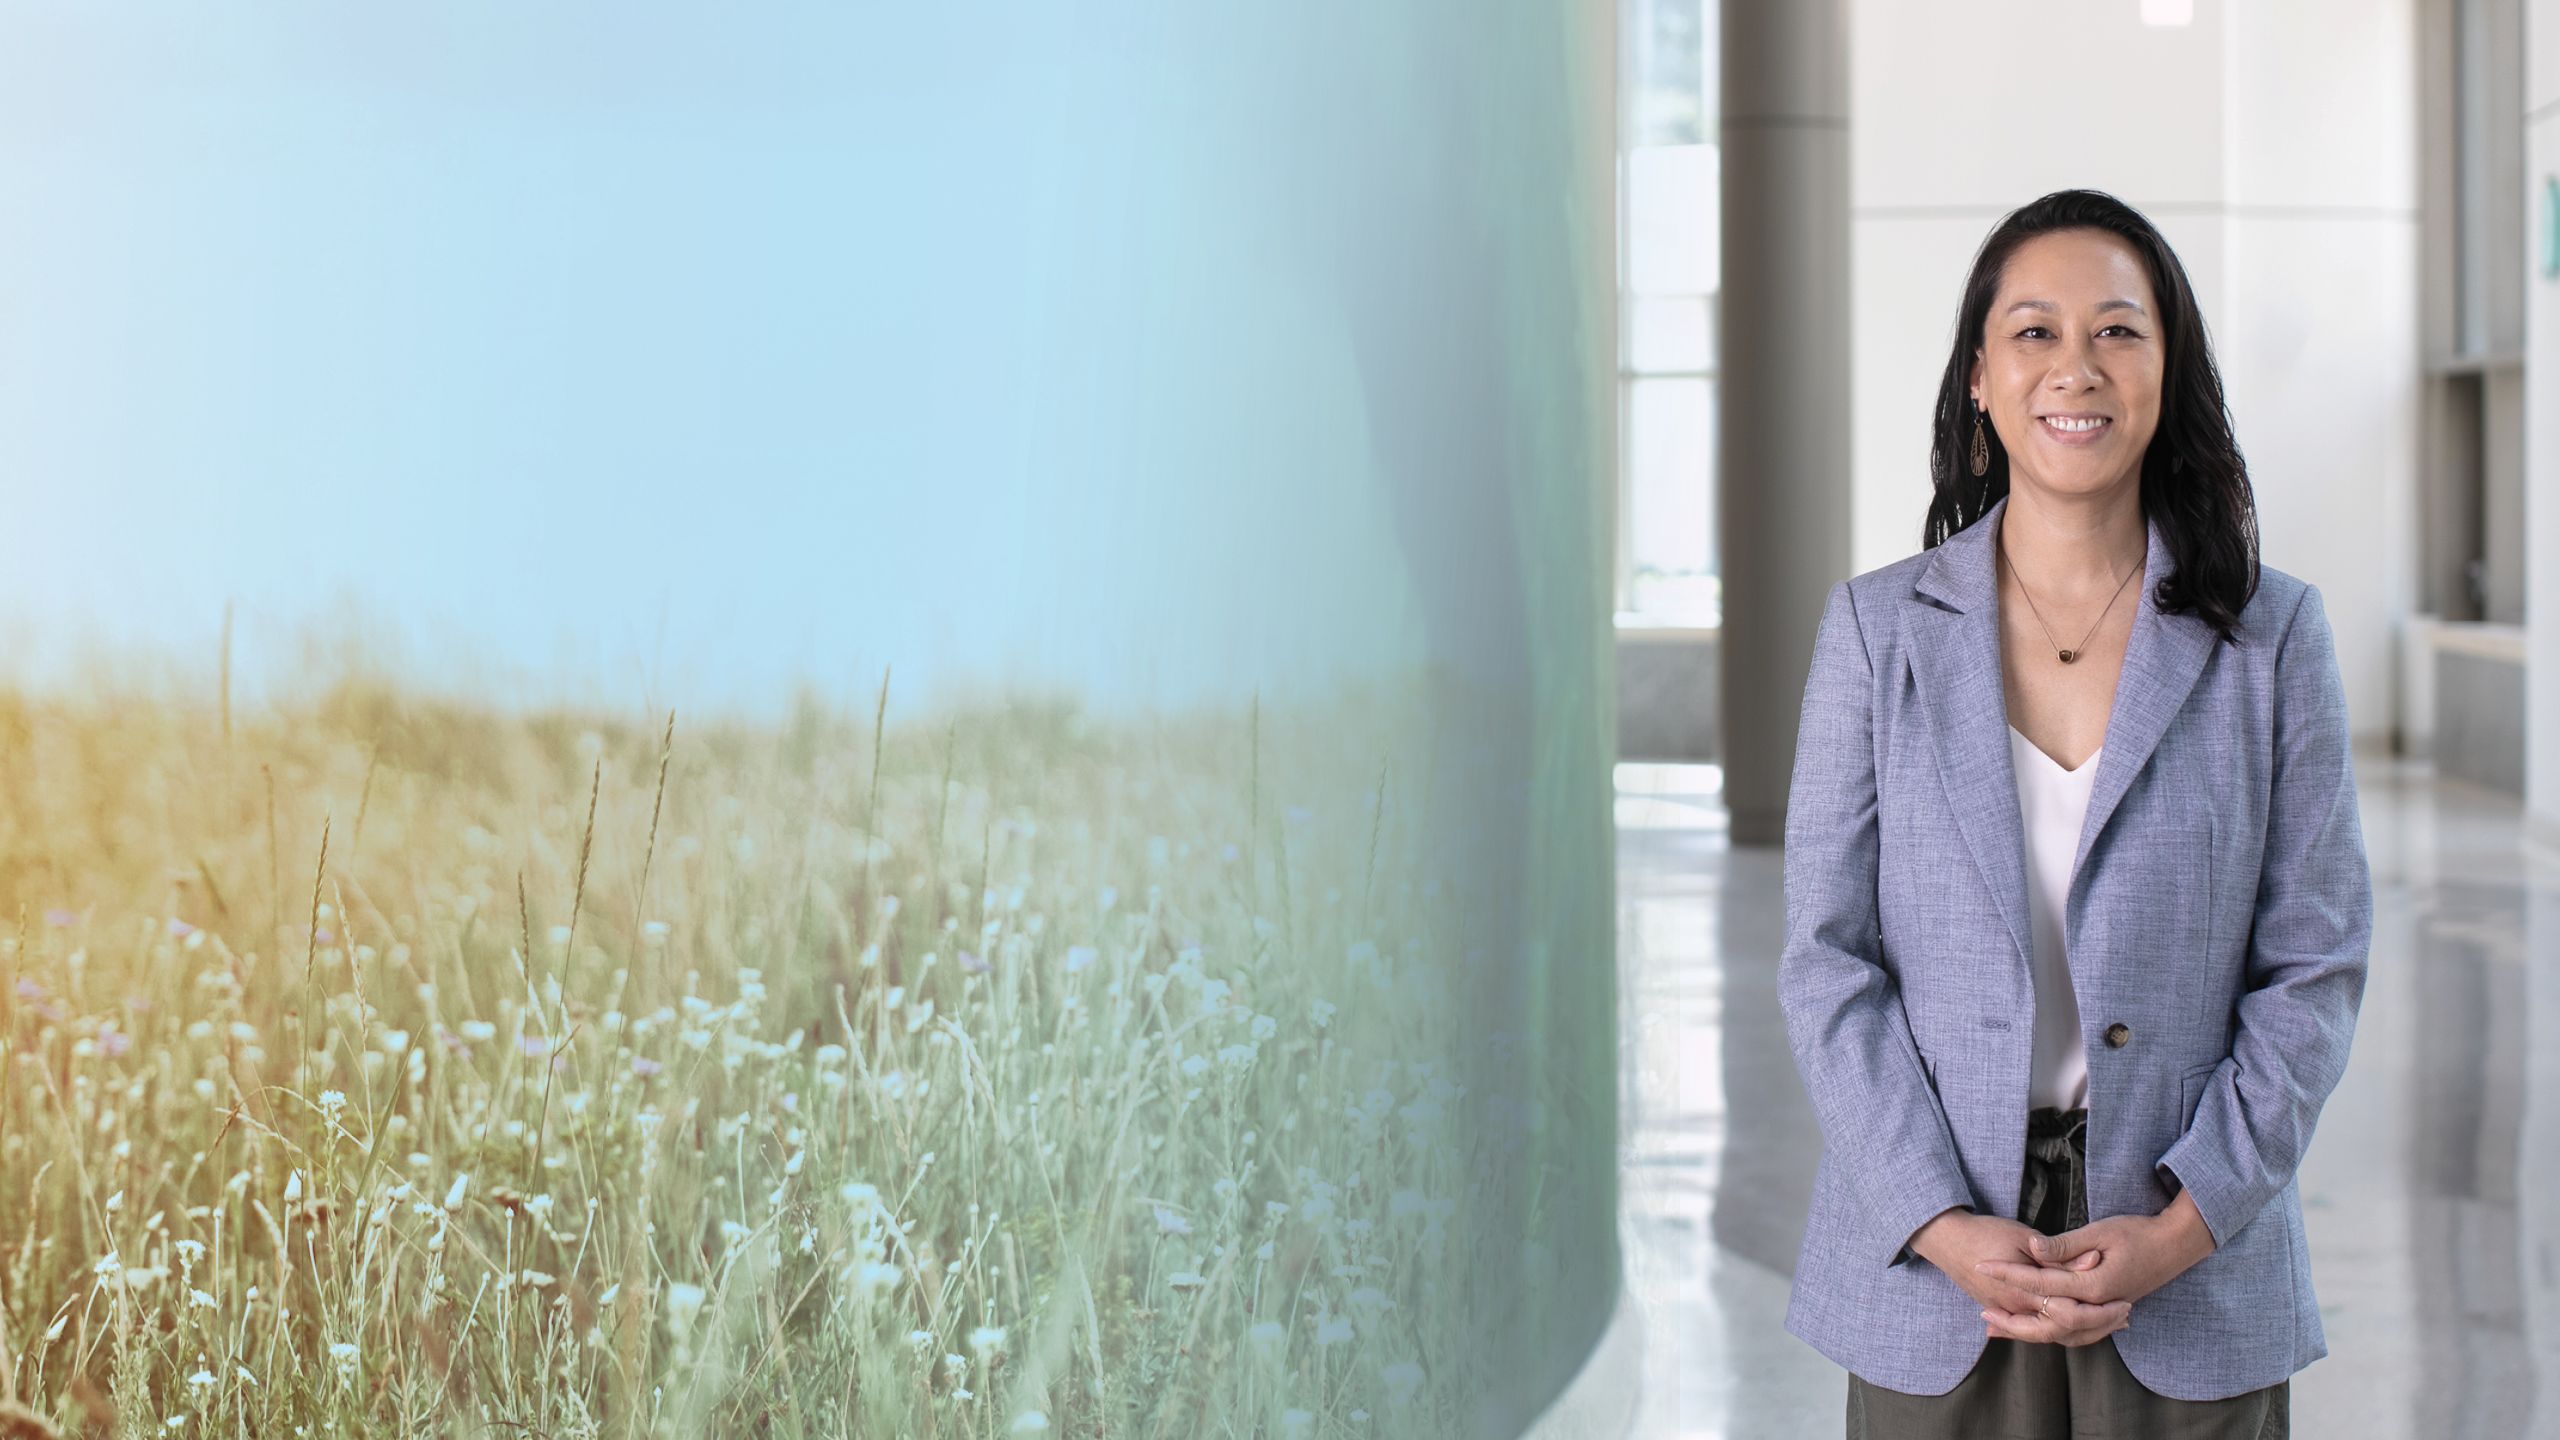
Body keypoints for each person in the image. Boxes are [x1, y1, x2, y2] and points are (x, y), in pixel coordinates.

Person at [1775, 188, 2372, 1439]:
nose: (2077, 367)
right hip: (1931, 1275)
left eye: (2118, 330)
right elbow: (1827, 966)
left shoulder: (2273, 642)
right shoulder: (1875, 632)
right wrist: (1936, 1220)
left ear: (2168, 373)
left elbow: (2312, 969)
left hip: (2185, 1266)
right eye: (2034, 332)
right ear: (1980, 381)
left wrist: (2180, 1228)